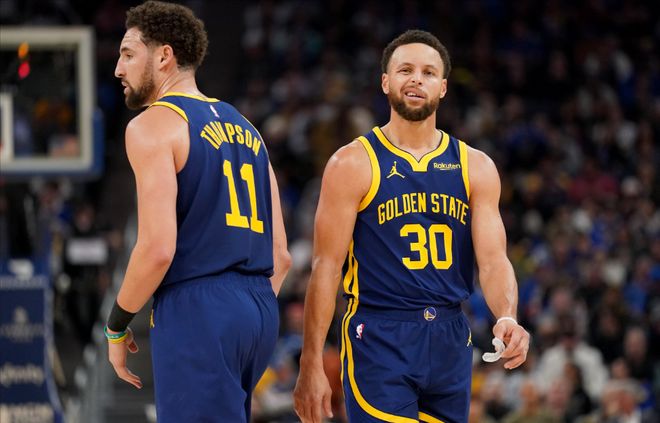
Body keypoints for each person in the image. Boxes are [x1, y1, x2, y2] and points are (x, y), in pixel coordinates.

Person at [293, 29, 530, 423]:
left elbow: (493, 260)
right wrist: (311, 361)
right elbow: (326, 267)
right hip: (380, 332)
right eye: (405, 70)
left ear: (443, 87)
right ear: (386, 82)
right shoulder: (352, 163)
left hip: (451, 334)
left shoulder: (476, 166)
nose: (416, 79)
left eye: (428, 72)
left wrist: (507, 315)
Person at [105, 2, 290, 422]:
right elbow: (281, 255)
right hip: (259, 310)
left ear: (164, 56)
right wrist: (241, 309)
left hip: (200, 308)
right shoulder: (248, 128)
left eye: (128, 54)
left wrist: (116, 325)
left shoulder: (152, 125)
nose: (118, 68)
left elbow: (157, 249)